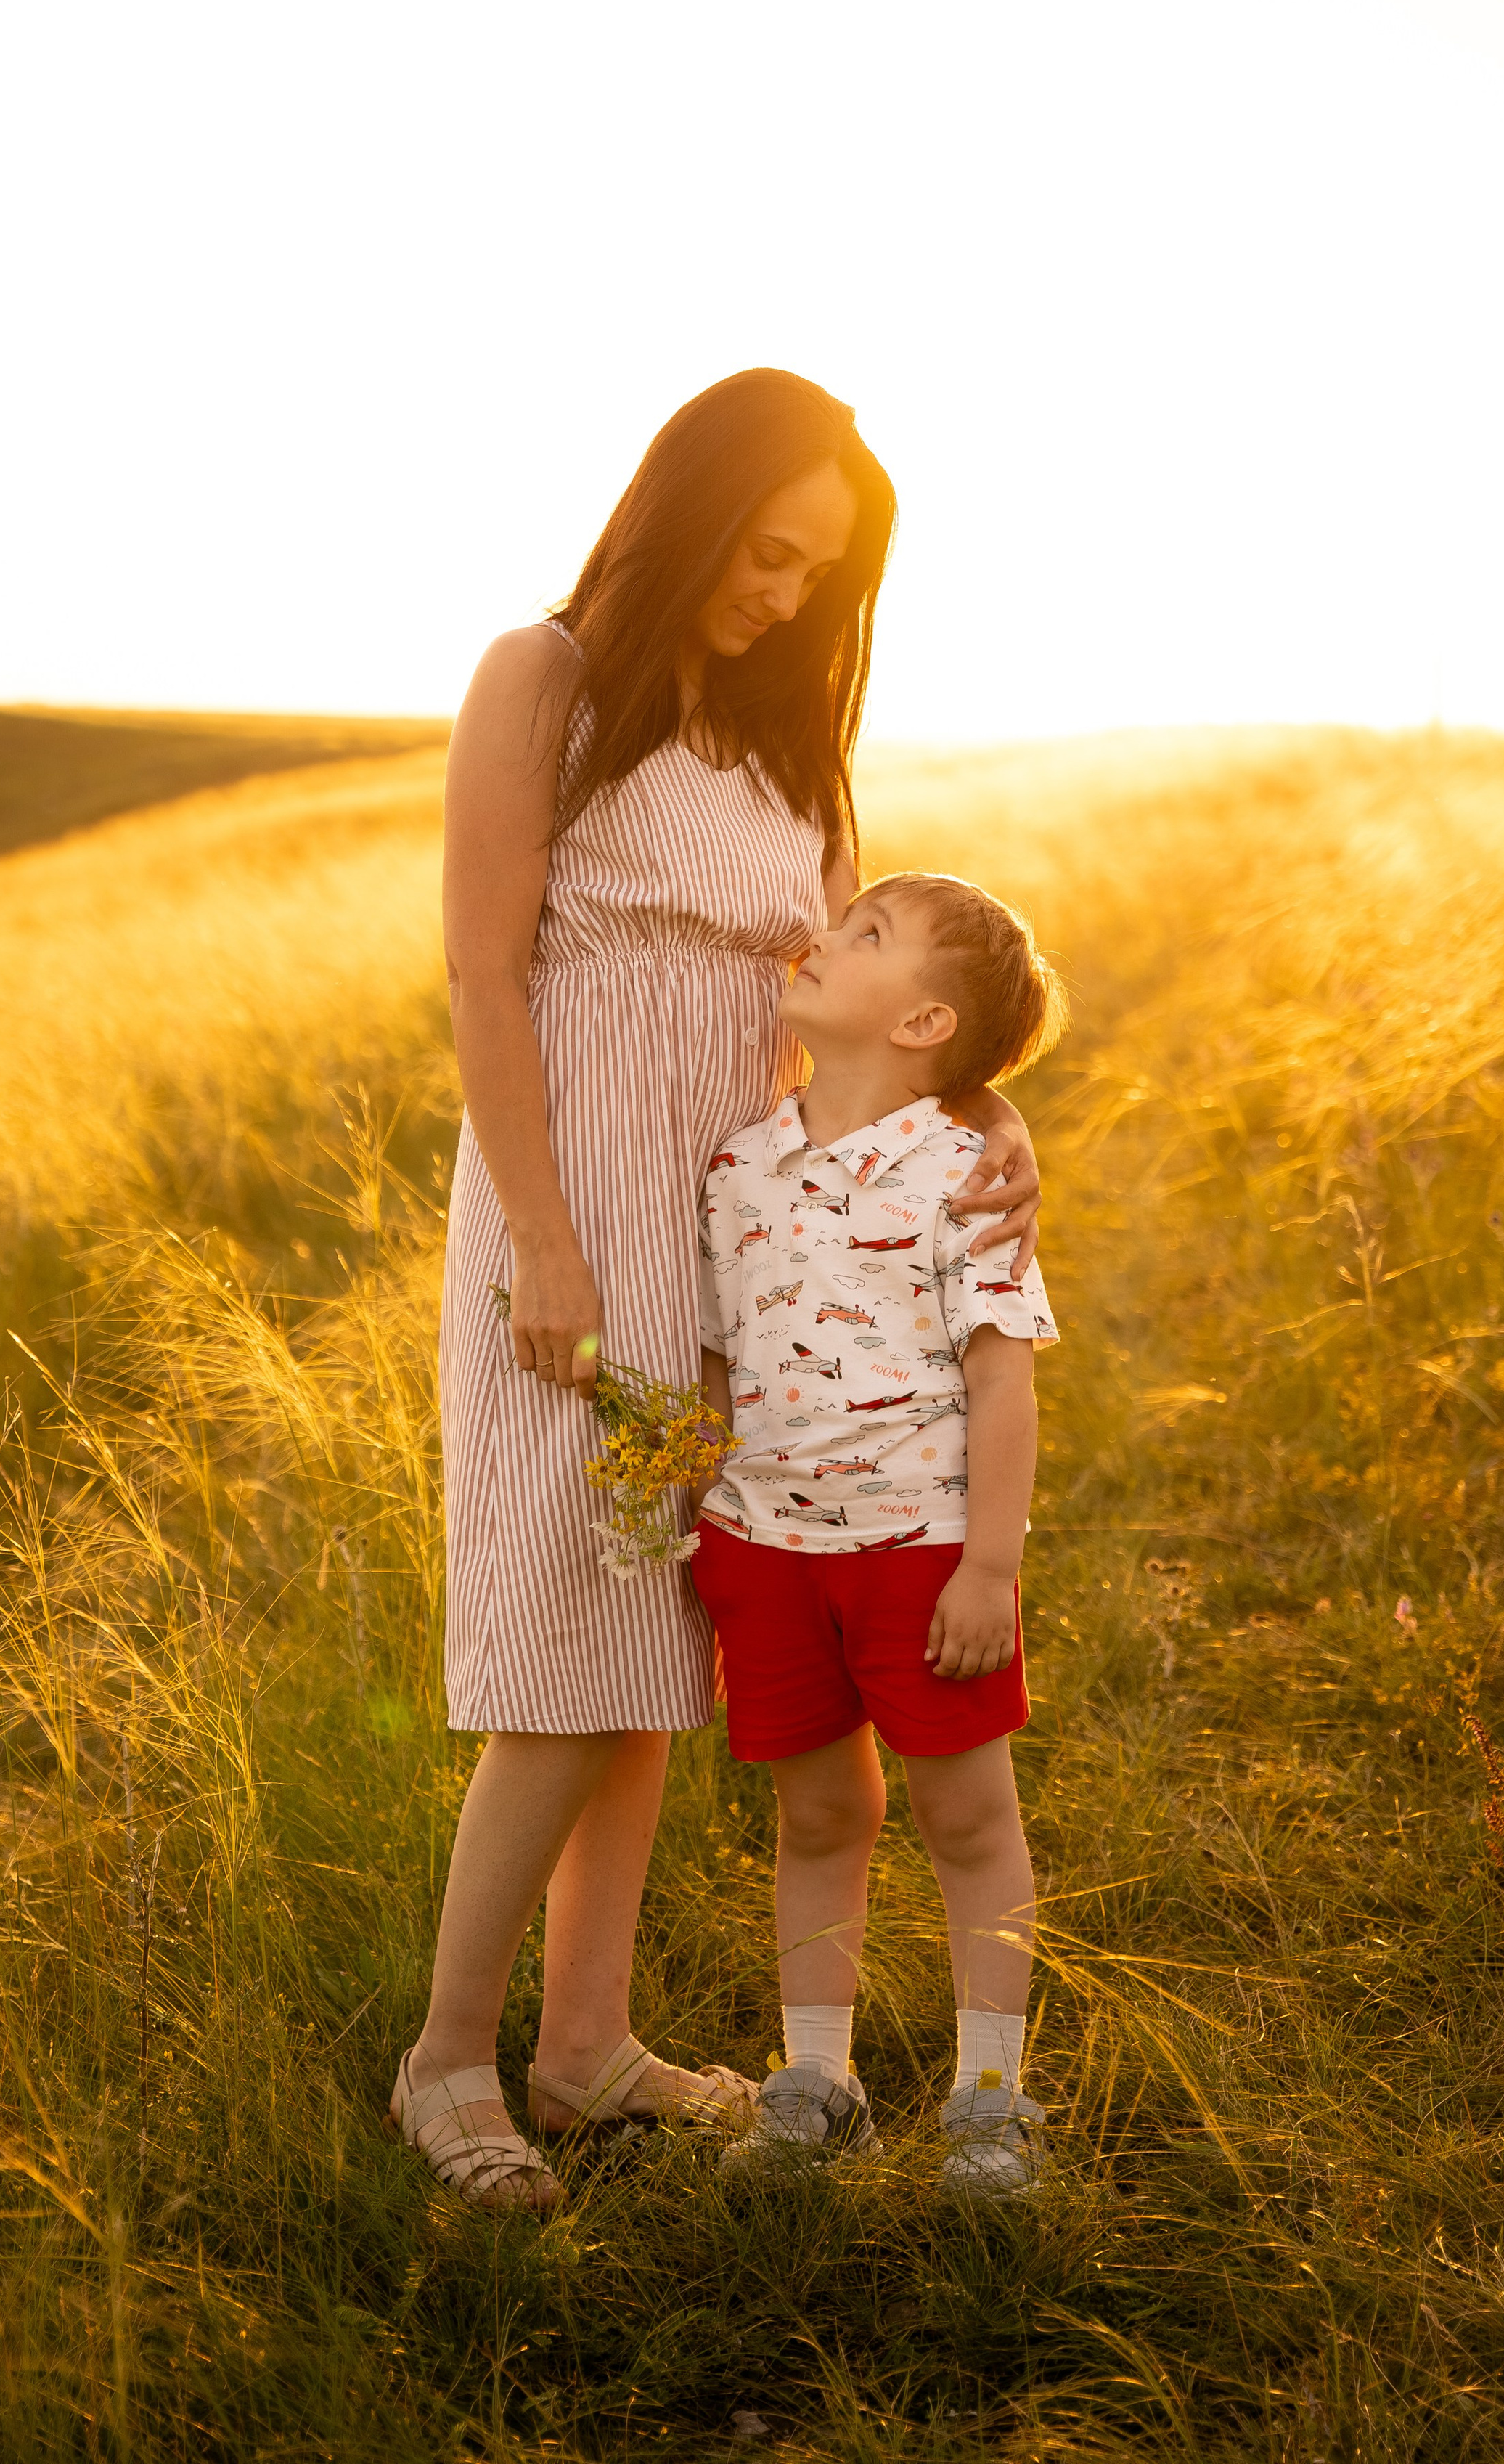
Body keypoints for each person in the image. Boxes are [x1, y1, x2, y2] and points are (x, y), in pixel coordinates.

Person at [388, 371, 1047, 2208]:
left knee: (659, 1648)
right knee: (560, 1640)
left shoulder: (780, 750)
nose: (778, 595)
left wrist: (1000, 1123)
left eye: (815, 577)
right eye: (765, 551)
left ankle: (585, 2048)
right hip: (574, 1226)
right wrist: (541, 1233)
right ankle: (446, 2060)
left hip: (734, 1242)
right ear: (691, 505)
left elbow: (889, 997)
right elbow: (482, 978)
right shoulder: (545, 680)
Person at [690, 870, 1063, 2196]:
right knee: (818, 1815)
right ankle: (815, 2079)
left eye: (868, 936)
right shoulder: (737, 1163)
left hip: (921, 1551)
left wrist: (992, 1565)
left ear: (921, 1024)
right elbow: (729, 1364)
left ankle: (991, 2095)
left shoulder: (966, 1177)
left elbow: (1004, 1375)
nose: (821, 938)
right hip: (767, 1547)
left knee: (966, 1819)